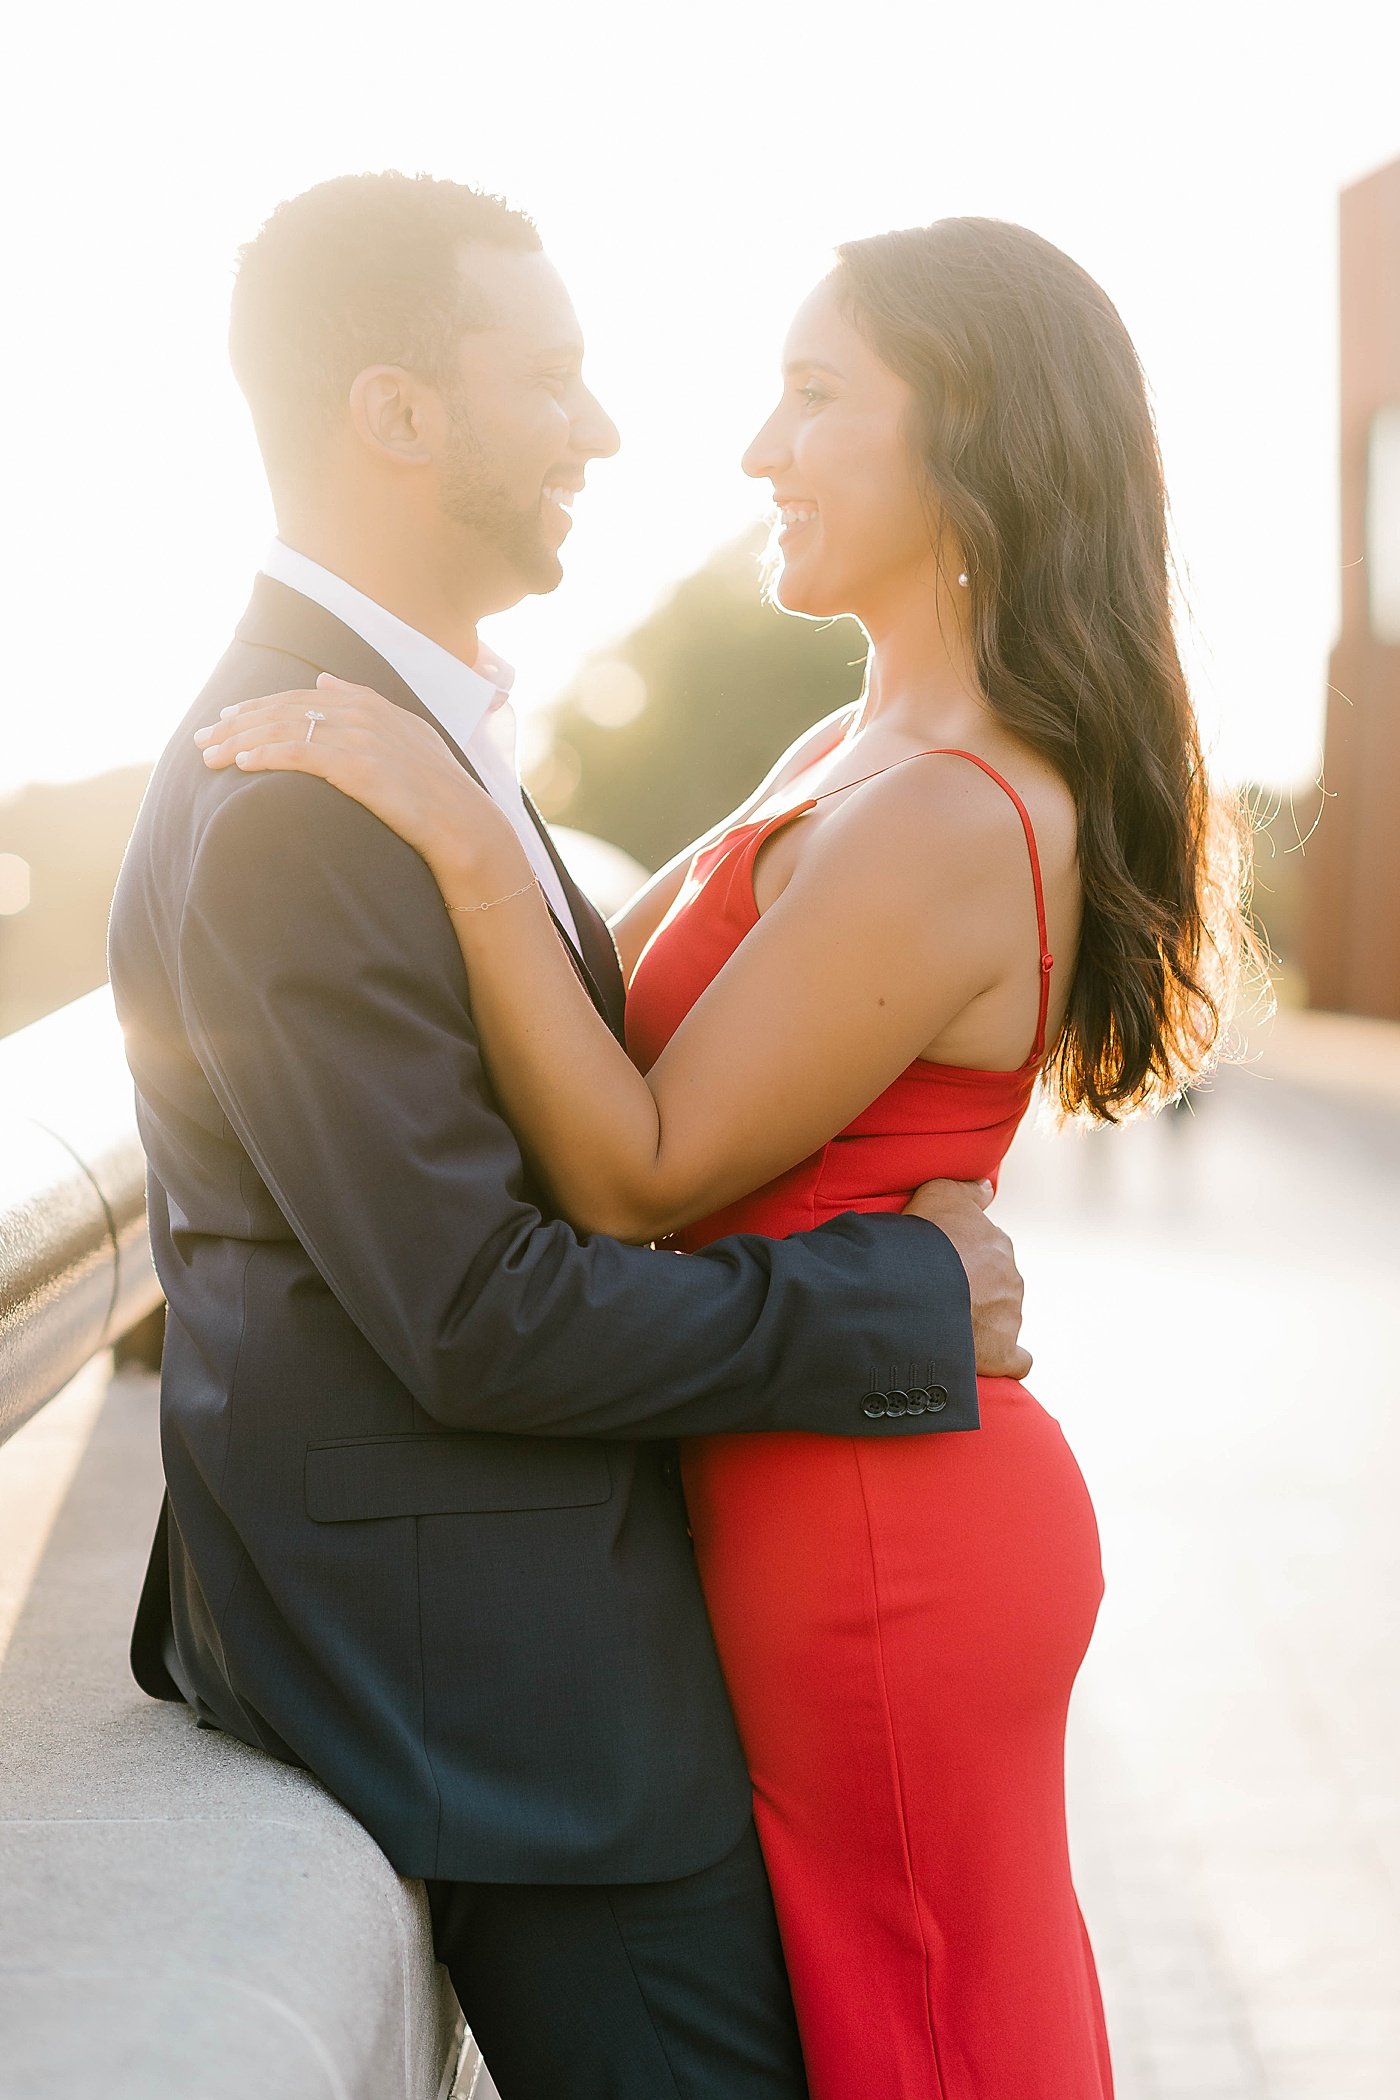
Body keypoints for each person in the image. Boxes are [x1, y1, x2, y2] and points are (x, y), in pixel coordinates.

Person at [205, 215, 1254, 2099]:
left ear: (975, 443)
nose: (758, 450)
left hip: (883, 1542)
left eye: (816, 396)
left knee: (935, 2030)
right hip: (809, 1491)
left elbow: (637, 1168)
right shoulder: (855, 739)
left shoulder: (944, 807)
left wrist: (456, 841)